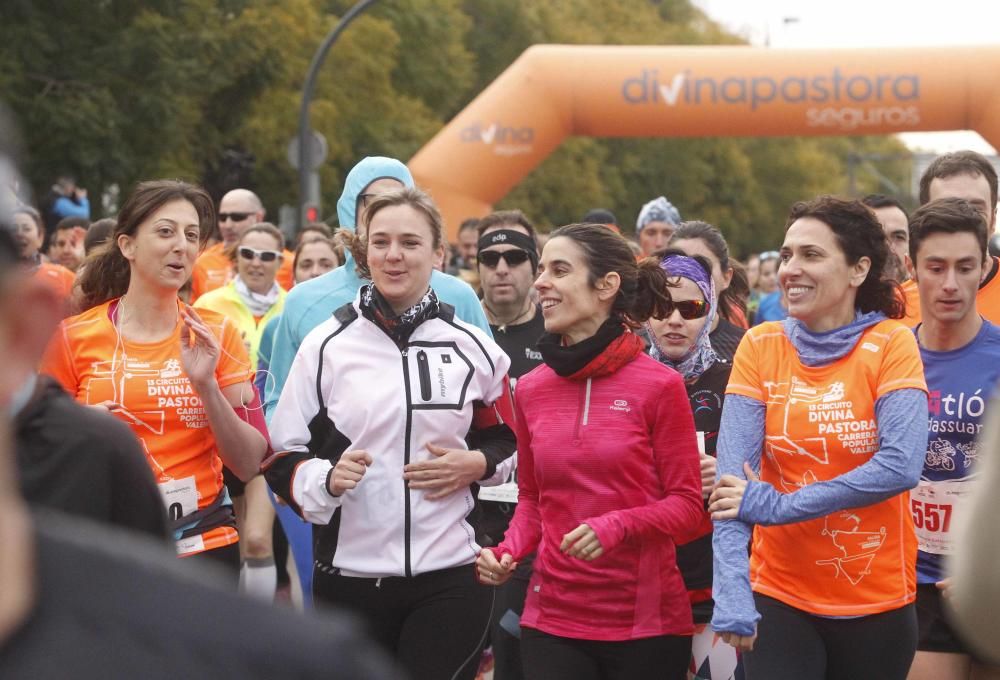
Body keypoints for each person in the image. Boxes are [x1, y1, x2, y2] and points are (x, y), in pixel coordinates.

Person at [265, 188, 515, 680]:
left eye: (410, 242)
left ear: (438, 254)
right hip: (350, 578)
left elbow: (512, 443)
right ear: (364, 253)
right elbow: (282, 456)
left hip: (451, 575)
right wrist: (326, 480)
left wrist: (479, 465)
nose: (393, 255)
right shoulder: (326, 346)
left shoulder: (474, 348)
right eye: (380, 242)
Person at [708, 196, 929, 680]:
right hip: (780, 595)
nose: (790, 269)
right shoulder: (760, 344)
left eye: (811, 255)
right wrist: (732, 592)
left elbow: (900, 465)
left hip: (877, 600)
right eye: (787, 255)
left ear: (857, 270)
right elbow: (732, 488)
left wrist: (778, 506)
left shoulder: (893, 343)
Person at [477, 223, 704, 680]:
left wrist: (618, 524)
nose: (541, 282)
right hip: (552, 618)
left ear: (606, 286)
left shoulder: (660, 386)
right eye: (541, 269)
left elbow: (687, 508)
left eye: (559, 270)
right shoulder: (534, 389)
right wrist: (508, 550)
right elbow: (534, 500)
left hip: (647, 624)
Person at [40, 179, 270, 573]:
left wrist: (207, 387)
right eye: (166, 232)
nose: (181, 245)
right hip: (106, 547)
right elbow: (32, 450)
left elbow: (251, 462)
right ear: (127, 245)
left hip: (203, 544)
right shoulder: (71, 337)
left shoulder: (216, 333)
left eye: (192, 235)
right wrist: (82, 427)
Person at [264, 156, 490, 421]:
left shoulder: (458, 297)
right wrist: (312, 462)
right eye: (373, 201)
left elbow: (492, 401)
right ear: (351, 208)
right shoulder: (304, 301)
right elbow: (278, 405)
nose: (387, 209)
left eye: (397, 197)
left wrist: (475, 459)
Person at [903, 198, 1000, 680]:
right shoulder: (889, 359)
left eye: (965, 267)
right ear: (911, 267)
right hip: (915, 582)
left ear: (986, 267)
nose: (950, 284)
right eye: (935, 267)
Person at [646, 250, 740, 679]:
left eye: (691, 308)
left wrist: (721, 472)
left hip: (712, 582)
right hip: (642, 584)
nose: (675, 320)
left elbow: (765, 467)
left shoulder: (735, 379)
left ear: (711, 311)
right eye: (661, 308)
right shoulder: (625, 380)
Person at [195, 222, 287, 600]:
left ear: (280, 261)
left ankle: (256, 632)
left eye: (267, 256)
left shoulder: (291, 305)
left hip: (271, 438)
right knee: (234, 538)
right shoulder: (209, 305)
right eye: (248, 253)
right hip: (219, 435)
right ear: (236, 257)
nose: (256, 262)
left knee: (257, 540)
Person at [474, 209, 545, 680]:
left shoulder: (558, 333)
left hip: (539, 519)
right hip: (470, 517)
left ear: (534, 267)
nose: (502, 267)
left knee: (520, 657)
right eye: (490, 257)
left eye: (515, 257)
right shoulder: (458, 332)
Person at [919, 150, 1000, 324]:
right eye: (947, 208)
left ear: (993, 219)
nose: (964, 219)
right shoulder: (895, 306)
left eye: (976, 209)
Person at [190, 189, 293, 299]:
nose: (228, 225)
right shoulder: (200, 262)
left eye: (237, 217)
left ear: (259, 218)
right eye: (223, 218)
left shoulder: (289, 263)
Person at [670, 221, 748, 360]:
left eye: (702, 266)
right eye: (679, 264)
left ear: (726, 277)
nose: (690, 275)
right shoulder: (642, 344)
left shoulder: (747, 348)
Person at [863, 194, 919, 327]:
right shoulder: (838, 314)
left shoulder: (931, 306)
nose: (888, 248)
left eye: (898, 237)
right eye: (876, 238)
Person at [12, 205, 75, 301]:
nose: (20, 234)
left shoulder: (63, 276)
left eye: (26, 229)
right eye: (13, 230)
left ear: (40, 237)